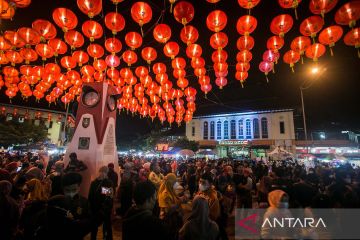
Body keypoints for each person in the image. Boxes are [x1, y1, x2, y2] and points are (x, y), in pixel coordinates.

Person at [88, 166, 113, 240]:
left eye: (103, 172)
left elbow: (90, 196)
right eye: (102, 172)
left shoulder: (94, 182)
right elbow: (109, 196)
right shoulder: (107, 182)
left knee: (96, 227)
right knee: (106, 226)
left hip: (98, 208)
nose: (102, 173)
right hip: (103, 208)